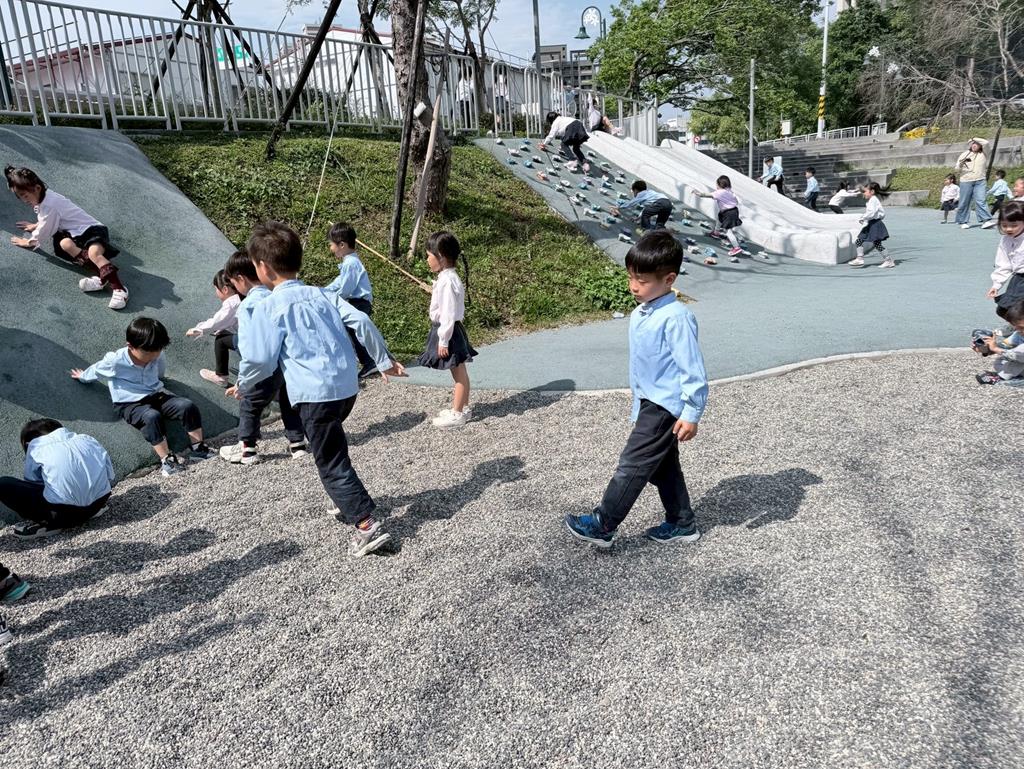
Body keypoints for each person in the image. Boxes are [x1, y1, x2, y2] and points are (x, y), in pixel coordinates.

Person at [238, 222, 405, 557]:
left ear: (263, 268)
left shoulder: (269, 307)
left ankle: (366, 525)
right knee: (331, 444)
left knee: (330, 461)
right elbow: (362, 321)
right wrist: (382, 360)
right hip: (346, 388)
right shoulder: (324, 294)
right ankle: (346, 501)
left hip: (315, 395)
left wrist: (244, 382)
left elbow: (260, 358)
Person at [564, 230, 707, 548]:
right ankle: (682, 523)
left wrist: (692, 413)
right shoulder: (642, 312)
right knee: (662, 466)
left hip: (664, 405)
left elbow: (693, 370)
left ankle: (603, 524)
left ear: (669, 279)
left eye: (642, 280)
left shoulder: (676, 318)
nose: (633, 286)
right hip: (648, 400)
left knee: (633, 464)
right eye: (631, 277)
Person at [72, 317, 215, 477]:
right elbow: (97, 370)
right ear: (130, 346)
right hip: (129, 403)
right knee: (151, 417)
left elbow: (160, 370)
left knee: (187, 406)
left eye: (158, 351)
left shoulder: (156, 353)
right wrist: (83, 376)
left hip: (155, 395)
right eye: (147, 353)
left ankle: (198, 448)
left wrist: (160, 377)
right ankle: (167, 460)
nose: (153, 357)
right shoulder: (115, 361)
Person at [220, 248, 308, 465]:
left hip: (263, 367)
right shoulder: (275, 296)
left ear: (240, 279)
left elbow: (250, 349)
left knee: (249, 404)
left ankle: (247, 449)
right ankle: (297, 444)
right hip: (285, 364)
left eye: (234, 283)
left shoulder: (248, 306)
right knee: (288, 402)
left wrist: (243, 381)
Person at [5, 165, 129, 310]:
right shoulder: (45, 197)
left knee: (93, 253)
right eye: (20, 197)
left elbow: (46, 226)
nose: (24, 200)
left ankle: (119, 289)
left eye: (25, 196)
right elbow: (47, 219)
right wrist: (36, 225)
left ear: (37, 188)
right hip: (74, 233)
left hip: (92, 230)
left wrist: (29, 242)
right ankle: (101, 277)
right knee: (65, 244)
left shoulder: (50, 204)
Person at [0, 418, 114, 538]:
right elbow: (110, 474)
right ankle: (85, 512)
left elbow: (33, 482)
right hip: (99, 503)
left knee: (3, 484)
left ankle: (50, 523)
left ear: (27, 442)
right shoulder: (86, 439)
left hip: (64, 516)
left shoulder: (36, 448)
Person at [419, 231, 477, 429]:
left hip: (448, 331)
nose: (427, 260)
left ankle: (457, 413)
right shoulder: (447, 277)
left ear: (441, 257)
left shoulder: (447, 281)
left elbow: (448, 313)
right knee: (460, 371)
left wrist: (443, 340)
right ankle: (463, 407)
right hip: (453, 330)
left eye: (429, 255)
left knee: (458, 373)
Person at [324, 222, 377, 379]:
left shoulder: (351, 263)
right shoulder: (349, 262)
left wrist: (333, 298)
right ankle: (366, 360)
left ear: (342, 245)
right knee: (353, 332)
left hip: (359, 302)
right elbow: (339, 282)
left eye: (331, 245)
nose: (330, 248)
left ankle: (369, 362)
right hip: (356, 302)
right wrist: (324, 291)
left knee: (354, 332)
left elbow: (346, 288)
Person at [186, 269, 240, 387]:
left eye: (216, 289)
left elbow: (216, 322)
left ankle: (221, 377)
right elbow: (232, 321)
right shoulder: (245, 294)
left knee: (221, 340)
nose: (216, 292)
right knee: (223, 332)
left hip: (252, 344)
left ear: (225, 289)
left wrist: (198, 329)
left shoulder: (232, 303)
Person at [693, 175, 745, 262]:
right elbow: (736, 201)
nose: (716, 186)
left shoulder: (720, 192)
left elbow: (706, 195)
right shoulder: (729, 191)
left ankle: (736, 247)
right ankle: (716, 232)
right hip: (733, 210)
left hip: (728, 213)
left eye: (716, 184)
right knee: (719, 218)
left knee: (728, 231)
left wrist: (697, 193)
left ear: (720, 185)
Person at [987, 200, 1024, 320]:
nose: (1009, 229)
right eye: (1004, 225)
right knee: (1003, 309)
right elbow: (1003, 264)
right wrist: (996, 284)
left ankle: (1019, 328)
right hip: (1018, 279)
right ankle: (1017, 327)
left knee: (1017, 310)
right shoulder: (1006, 240)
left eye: (1014, 225)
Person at [973, 299, 1024, 385]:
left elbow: (1019, 354)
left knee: (1018, 354)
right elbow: (1005, 346)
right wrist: (986, 349)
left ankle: (1001, 379)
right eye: (1016, 327)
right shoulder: (1019, 334)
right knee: (1002, 360)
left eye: (1021, 327)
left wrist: (996, 349)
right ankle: (1008, 376)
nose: (1019, 330)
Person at [849, 182, 893, 269]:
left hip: (875, 225)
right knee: (860, 241)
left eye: (865, 191)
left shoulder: (873, 200)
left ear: (872, 191)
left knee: (876, 244)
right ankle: (860, 259)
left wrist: (863, 217)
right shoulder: (872, 200)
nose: (863, 193)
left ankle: (888, 261)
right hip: (872, 224)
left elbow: (871, 213)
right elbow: (877, 213)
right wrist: (865, 219)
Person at [954, 138, 993, 229]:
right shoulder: (964, 154)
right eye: (973, 144)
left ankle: (985, 221)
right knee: (964, 201)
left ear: (980, 146)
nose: (974, 145)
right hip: (966, 181)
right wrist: (961, 164)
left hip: (980, 180)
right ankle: (963, 221)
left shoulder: (984, 153)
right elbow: (956, 169)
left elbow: (986, 142)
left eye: (977, 144)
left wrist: (973, 138)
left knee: (981, 200)